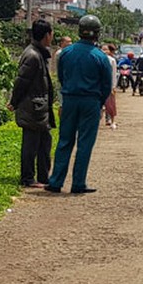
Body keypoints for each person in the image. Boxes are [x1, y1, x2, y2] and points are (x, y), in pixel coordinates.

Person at [44, 15, 112, 194]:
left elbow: (61, 77)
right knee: (85, 143)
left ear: (79, 31)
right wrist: (99, 102)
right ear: (97, 34)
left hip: (70, 100)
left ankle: (56, 181)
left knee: (65, 140)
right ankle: (78, 183)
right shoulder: (101, 57)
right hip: (90, 102)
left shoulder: (65, 53)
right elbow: (106, 85)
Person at [8, 19, 56, 188]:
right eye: (51, 33)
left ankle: (44, 177)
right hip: (32, 107)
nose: (52, 37)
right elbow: (21, 81)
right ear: (46, 35)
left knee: (44, 143)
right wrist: (14, 102)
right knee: (31, 144)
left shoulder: (39, 53)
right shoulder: (33, 56)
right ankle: (28, 178)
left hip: (39, 107)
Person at [101, 44, 118, 129]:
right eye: (102, 49)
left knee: (110, 105)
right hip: (98, 85)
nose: (104, 51)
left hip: (108, 85)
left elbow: (114, 74)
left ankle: (112, 121)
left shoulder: (112, 60)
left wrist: (113, 86)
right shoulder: (97, 59)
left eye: (106, 49)